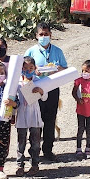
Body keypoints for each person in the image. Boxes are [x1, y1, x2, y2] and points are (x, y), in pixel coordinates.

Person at [24, 22, 67, 161]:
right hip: (36, 89)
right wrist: (33, 70)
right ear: (36, 35)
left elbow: (66, 70)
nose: (43, 37)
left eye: (46, 34)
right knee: (36, 121)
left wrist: (58, 68)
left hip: (53, 89)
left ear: (50, 35)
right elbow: (23, 70)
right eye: (41, 34)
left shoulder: (57, 51)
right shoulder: (30, 52)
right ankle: (34, 151)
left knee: (50, 119)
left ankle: (48, 150)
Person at [14, 56, 47, 176]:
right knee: (21, 141)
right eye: (25, 68)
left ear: (35, 68)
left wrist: (41, 91)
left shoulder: (38, 80)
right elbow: (13, 98)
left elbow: (45, 97)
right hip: (22, 113)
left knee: (35, 141)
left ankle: (35, 164)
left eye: (31, 68)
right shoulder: (17, 82)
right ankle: (20, 165)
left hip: (35, 114)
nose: (28, 70)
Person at [0, 62, 19, 179]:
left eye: (2, 73)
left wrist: (13, 104)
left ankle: (1, 168)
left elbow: (17, 103)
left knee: (3, 144)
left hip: (4, 122)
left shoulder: (8, 88)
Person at [71, 60, 90, 159]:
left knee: (89, 129)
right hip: (81, 110)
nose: (84, 73)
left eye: (86, 71)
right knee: (80, 129)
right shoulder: (79, 80)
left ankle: (88, 148)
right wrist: (77, 99)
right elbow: (74, 92)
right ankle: (78, 149)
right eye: (83, 71)